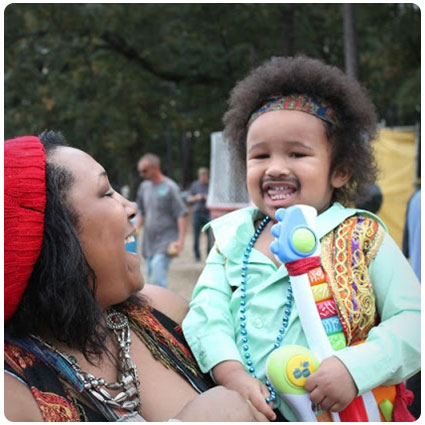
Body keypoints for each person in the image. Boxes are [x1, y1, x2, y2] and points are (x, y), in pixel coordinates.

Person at [182, 56, 421, 422]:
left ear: (340, 170)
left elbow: (414, 320)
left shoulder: (363, 235)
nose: (275, 167)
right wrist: (231, 375)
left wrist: (354, 368)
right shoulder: (232, 239)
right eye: (259, 155)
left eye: (296, 153)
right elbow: (205, 314)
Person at [4, 132, 268, 422]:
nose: (130, 208)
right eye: (106, 193)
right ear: (55, 239)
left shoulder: (163, 310)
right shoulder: (13, 395)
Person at [136, 153, 188, 288]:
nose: (141, 174)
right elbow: (141, 211)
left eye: (144, 170)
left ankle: (162, 308)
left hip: (166, 241)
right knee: (150, 279)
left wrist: (181, 240)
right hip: (148, 243)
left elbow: (181, 214)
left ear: (155, 167)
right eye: (140, 171)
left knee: (158, 279)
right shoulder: (144, 187)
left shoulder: (170, 187)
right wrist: (136, 228)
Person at [187, 167, 213, 261]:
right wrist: (196, 198)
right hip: (197, 214)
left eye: (204, 176)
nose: (203, 177)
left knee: (210, 236)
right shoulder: (195, 185)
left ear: (207, 176)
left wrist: (207, 197)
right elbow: (189, 199)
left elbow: (216, 198)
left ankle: (209, 255)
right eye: (201, 176)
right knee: (196, 236)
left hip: (208, 214)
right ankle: (197, 256)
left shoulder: (211, 185)